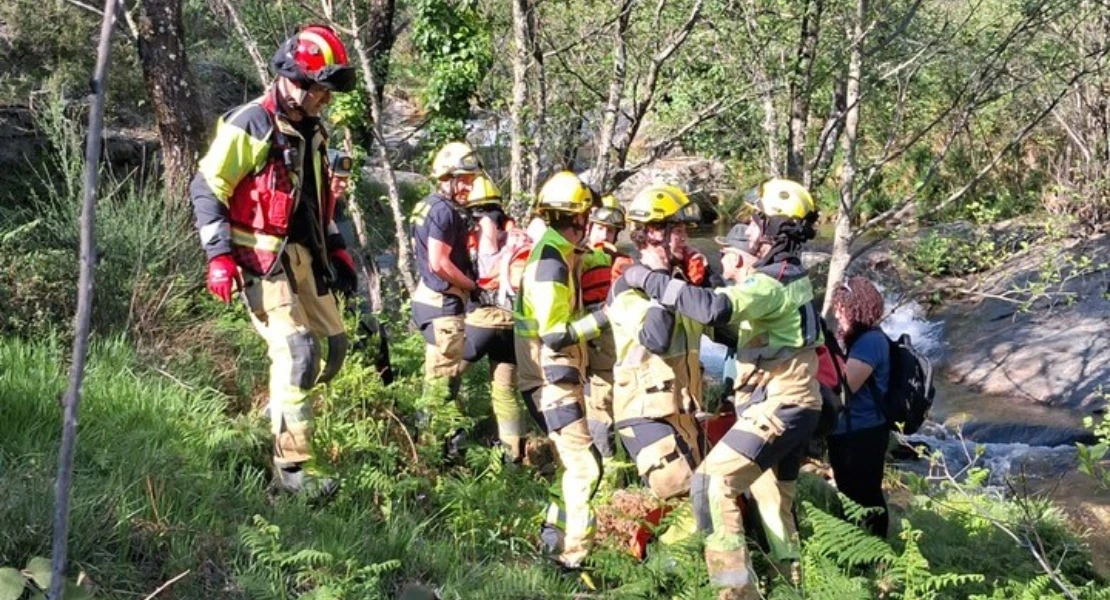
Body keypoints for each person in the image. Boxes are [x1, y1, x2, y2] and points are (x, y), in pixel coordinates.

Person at [623, 178, 821, 599]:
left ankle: (735, 593)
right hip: (794, 401)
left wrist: (652, 279)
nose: (747, 230)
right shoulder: (788, 276)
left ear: (772, 229)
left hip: (780, 402)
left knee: (711, 483)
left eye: (754, 222)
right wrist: (708, 278)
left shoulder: (772, 281)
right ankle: (792, 588)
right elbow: (732, 330)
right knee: (774, 504)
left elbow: (715, 309)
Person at [190, 24, 357, 497]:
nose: (324, 100)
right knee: (299, 351)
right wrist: (218, 257)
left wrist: (338, 246)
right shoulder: (251, 124)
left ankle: (280, 410)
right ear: (294, 80)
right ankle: (291, 472)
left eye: (327, 92)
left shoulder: (314, 131)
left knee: (335, 349)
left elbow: (317, 200)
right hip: (259, 260)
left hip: (306, 256)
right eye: (320, 90)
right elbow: (207, 187)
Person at [515, 171, 609, 569]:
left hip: (557, 378)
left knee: (573, 465)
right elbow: (555, 336)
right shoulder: (550, 264)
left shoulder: (561, 252)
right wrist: (606, 317)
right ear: (580, 219)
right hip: (550, 380)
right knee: (585, 467)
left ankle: (553, 536)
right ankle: (574, 558)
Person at [608, 184, 706, 501]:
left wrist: (708, 281)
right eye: (678, 231)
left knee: (706, 497)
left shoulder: (679, 282)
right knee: (681, 489)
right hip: (643, 412)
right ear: (653, 233)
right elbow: (657, 338)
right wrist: (661, 281)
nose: (686, 239)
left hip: (683, 412)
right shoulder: (628, 287)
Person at [409, 141, 481, 456]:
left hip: (426, 301)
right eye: (464, 179)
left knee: (435, 377)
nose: (469, 185)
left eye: (471, 179)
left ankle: (436, 446)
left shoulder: (426, 204)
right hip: (444, 306)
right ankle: (431, 455)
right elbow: (439, 262)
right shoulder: (444, 211)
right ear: (447, 176)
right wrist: (473, 286)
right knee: (442, 384)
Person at [460, 174, 529, 463]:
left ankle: (432, 442)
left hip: (483, 320)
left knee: (445, 375)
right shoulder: (519, 234)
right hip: (513, 326)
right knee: (505, 393)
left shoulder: (480, 230)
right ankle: (514, 458)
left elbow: (483, 267)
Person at [827, 276, 891, 538]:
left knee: (866, 493)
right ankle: (858, 550)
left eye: (841, 308)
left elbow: (846, 385)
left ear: (855, 308)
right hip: (850, 430)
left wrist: (827, 352)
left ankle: (875, 553)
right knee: (849, 491)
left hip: (864, 430)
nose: (837, 314)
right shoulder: (858, 339)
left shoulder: (870, 342)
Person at [328, 149, 395, 386]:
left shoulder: (338, 208)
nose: (343, 184)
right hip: (323, 292)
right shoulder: (311, 209)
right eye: (338, 178)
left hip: (346, 288)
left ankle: (386, 395)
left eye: (346, 179)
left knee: (376, 335)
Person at [579, 194, 631, 464]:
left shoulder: (621, 263)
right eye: (600, 228)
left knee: (602, 400)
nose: (605, 234)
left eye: (611, 230)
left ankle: (610, 466)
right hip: (578, 334)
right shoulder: (575, 257)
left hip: (607, 339)